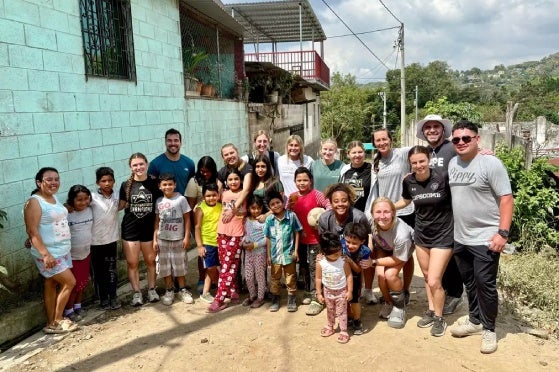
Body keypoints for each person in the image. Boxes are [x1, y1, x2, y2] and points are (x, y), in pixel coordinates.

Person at [448, 120, 513, 354]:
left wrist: (502, 233)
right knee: (470, 282)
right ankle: (475, 320)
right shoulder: (452, 163)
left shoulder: (491, 163)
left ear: (477, 139)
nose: (461, 142)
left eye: (467, 138)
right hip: (461, 237)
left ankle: (489, 329)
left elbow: (506, 198)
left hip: (486, 237)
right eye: (456, 139)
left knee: (485, 284)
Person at [395, 146, 454, 337]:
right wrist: (386, 206)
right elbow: (405, 201)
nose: (418, 165)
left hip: (443, 235)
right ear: (410, 164)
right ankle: (430, 310)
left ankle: (439, 317)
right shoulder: (408, 181)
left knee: (436, 279)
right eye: (414, 162)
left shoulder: (442, 177)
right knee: (428, 276)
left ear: (428, 160)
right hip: (421, 235)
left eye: (422, 161)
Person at [416, 114, 464, 315]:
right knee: (435, 261)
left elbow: (470, 155)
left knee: (451, 257)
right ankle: (439, 294)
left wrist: (484, 153)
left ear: (443, 129)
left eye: (436, 126)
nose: (432, 130)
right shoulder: (425, 152)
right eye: (428, 127)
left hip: (452, 211)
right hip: (430, 215)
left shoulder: (452, 148)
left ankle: (455, 294)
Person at [24, 167, 78, 334]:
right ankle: (58, 320)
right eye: (49, 179)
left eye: (56, 179)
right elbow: (32, 230)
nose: (54, 182)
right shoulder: (34, 202)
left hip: (61, 250)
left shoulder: (52, 198)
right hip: (49, 253)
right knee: (70, 282)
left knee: (51, 283)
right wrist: (45, 254)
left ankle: (51, 322)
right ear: (39, 182)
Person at [372, 128, 414, 304]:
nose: (381, 143)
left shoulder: (403, 153)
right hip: (384, 214)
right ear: (374, 143)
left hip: (404, 211)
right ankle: (392, 288)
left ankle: (404, 289)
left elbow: (427, 153)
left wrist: (478, 151)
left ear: (391, 139)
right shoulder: (377, 161)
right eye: (378, 140)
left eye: (384, 139)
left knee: (406, 253)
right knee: (387, 247)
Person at [286, 167, 330, 314]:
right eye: (299, 180)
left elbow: (329, 207)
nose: (302, 183)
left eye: (305, 180)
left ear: (311, 181)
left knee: (314, 267)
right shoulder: (292, 197)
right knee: (303, 266)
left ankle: (317, 297)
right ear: (294, 181)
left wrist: (322, 219)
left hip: (315, 239)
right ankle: (307, 290)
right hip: (299, 240)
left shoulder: (317, 195)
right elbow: (287, 212)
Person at [120, 153, 162, 306]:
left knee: (151, 261)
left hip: (149, 230)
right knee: (132, 263)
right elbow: (119, 205)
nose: (138, 167)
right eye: (135, 165)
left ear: (146, 164)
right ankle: (136, 293)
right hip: (130, 230)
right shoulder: (125, 185)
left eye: (141, 164)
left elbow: (163, 202)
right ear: (130, 167)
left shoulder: (155, 183)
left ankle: (151, 289)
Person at [339, 140, 377, 304]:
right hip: (350, 217)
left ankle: (368, 290)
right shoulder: (345, 171)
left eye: (360, 152)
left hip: (366, 216)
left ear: (364, 153)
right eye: (353, 152)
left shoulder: (372, 170)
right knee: (349, 252)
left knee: (367, 252)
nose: (357, 155)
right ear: (348, 154)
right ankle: (354, 288)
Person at [370, 197, 414, 329]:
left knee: (390, 274)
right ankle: (388, 302)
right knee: (381, 276)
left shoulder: (402, 234)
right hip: (383, 247)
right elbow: (368, 235)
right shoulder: (370, 220)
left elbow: (399, 259)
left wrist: (373, 261)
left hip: (401, 251)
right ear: (372, 213)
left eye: (386, 212)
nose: (382, 216)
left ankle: (400, 305)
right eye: (378, 212)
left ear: (394, 212)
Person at [208, 170, 246, 313]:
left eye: (236, 179)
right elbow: (213, 194)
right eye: (230, 179)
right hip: (222, 232)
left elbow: (246, 212)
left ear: (241, 180)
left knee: (227, 267)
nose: (233, 182)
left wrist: (237, 212)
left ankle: (219, 298)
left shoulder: (243, 194)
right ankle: (233, 291)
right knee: (226, 264)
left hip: (236, 233)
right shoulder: (223, 193)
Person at [154, 173, 193, 306]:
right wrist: (155, 239)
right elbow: (156, 222)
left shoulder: (181, 199)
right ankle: (169, 290)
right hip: (162, 239)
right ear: (159, 186)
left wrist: (187, 236)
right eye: (164, 184)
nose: (168, 186)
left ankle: (182, 289)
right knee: (165, 267)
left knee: (179, 265)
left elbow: (187, 219)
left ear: (175, 185)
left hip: (178, 239)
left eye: (170, 184)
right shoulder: (159, 201)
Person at [185, 156, 222, 294]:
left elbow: (221, 202)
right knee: (203, 253)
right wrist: (190, 226)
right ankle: (202, 278)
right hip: (200, 221)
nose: (205, 174)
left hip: (215, 221)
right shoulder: (194, 182)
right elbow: (190, 204)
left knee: (217, 255)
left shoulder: (218, 182)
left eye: (208, 171)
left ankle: (217, 281)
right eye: (202, 171)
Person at [264, 190, 303, 312]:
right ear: (269, 207)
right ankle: (275, 299)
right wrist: (268, 255)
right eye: (273, 204)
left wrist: (296, 251)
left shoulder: (291, 216)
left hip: (289, 253)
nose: (276, 205)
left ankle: (291, 299)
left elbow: (297, 232)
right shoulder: (269, 219)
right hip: (275, 255)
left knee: (290, 276)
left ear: (282, 202)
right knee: (275, 278)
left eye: (278, 202)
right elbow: (268, 238)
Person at [90, 167, 123, 311]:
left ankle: (113, 296)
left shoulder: (117, 194)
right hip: (95, 242)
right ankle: (102, 298)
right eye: (103, 181)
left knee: (111, 270)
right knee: (98, 272)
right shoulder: (92, 197)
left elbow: (124, 204)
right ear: (98, 182)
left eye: (110, 180)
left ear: (114, 181)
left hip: (111, 240)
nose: (107, 183)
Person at [316, 231, 353, 344]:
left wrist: (349, 291)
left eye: (338, 250)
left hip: (341, 291)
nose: (337, 254)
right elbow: (318, 278)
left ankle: (343, 330)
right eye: (333, 253)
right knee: (330, 310)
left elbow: (349, 276)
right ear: (324, 252)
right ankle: (330, 325)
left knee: (342, 312)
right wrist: (319, 293)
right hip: (327, 291)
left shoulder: (343, 261)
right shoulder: (320, 262)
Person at [64, 185, 94, 322]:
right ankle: (68, 310)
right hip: (71, 257)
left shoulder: (90, 210)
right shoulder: (66, 214)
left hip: (86, 253)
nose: (83, 202)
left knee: (83, 281)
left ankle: (78, 306)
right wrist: (66, 207)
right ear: (72, 200)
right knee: (73, 284)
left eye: (86, 199)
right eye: (79, 200)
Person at [342, 222, 373, 336]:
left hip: (355, 278)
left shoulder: (364, 252)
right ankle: (348, 317)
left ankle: (357, 320)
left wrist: (349, 260)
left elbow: (359, 270)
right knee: (344, 300)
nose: (349, 245)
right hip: (341, 278)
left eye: (354, 243)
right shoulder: (341, 245)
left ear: (362, 241)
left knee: (354, 300)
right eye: (348, 241)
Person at [194, 183, 222, 304]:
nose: (211, 198)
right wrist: (200, 246)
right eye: (208, 196)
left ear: (218, 195)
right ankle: (218, 287)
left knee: (217, 267)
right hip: (207, 243)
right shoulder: (201, 209)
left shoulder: (221, 207)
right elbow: (197, 227)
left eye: (214, 195)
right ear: (204, 196)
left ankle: (207, 292)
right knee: (211, 268)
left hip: (220, 243)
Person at [148, 128, 195, 195]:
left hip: (184, 204)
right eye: (169, 140)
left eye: (176, 140)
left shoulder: (189, 163)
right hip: (163, 204)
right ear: (165, 142)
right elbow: (151, 189)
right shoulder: (155, 165)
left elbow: (192, 187)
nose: (173, 143)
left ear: (180, 143)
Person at [241, 195, 268, 309]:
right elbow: (245, 234)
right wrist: (243, 242)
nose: (256, 211)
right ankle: (252, 295)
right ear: (248, 208)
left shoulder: (264, 221)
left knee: (260, 276)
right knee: (248, 276)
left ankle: (260, 297)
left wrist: (254, 245)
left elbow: (267, 239)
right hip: (248, 253)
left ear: (262, 208)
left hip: (260, 253)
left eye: (258, 208)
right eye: (253, 208)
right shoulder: (246, 220)